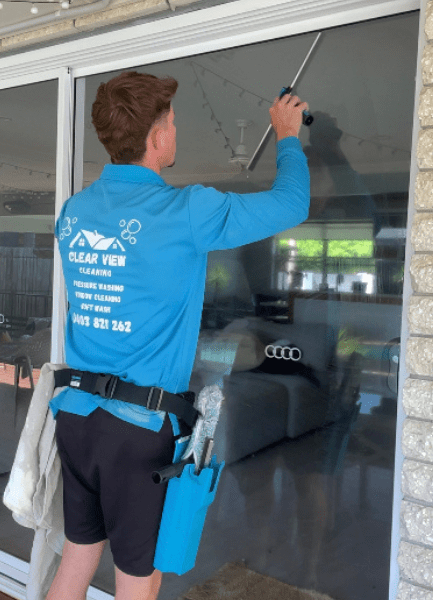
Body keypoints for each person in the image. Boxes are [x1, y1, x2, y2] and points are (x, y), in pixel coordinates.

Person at [46, 70, 310, 600]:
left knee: (77, 557)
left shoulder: (73, 214)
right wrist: (286, 135)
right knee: (138, 583)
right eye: (171, 122)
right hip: (138, 433)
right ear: (156, 136)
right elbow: (291, 205)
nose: (175, 131)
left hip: (74, 418)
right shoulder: (187, 211)